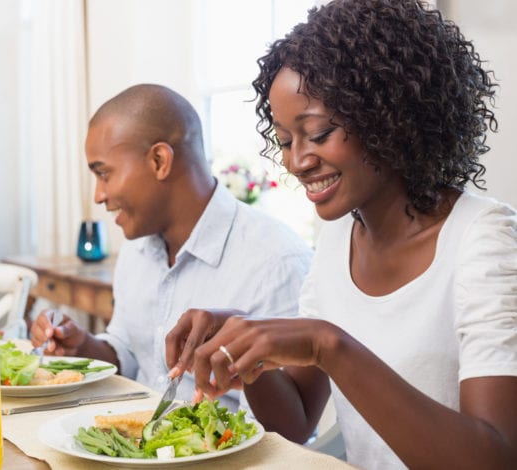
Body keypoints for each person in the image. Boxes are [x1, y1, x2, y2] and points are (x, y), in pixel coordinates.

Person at [165, 0, 517, 468]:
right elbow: (294, 424)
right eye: (286, 141)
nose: (297, 161)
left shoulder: (481, 239)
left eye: (318, 132)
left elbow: (494, 457)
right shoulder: (337, 240)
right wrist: (240, 347)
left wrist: (327, 345)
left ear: (389, 115)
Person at [30, 83, 313, 410]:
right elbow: (129, 351)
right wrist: (82, 346)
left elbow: (288, 429)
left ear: (160, 161)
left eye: (104, 174)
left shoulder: (276, 261)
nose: (98, 195)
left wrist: (246, 351)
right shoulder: (137, 250)